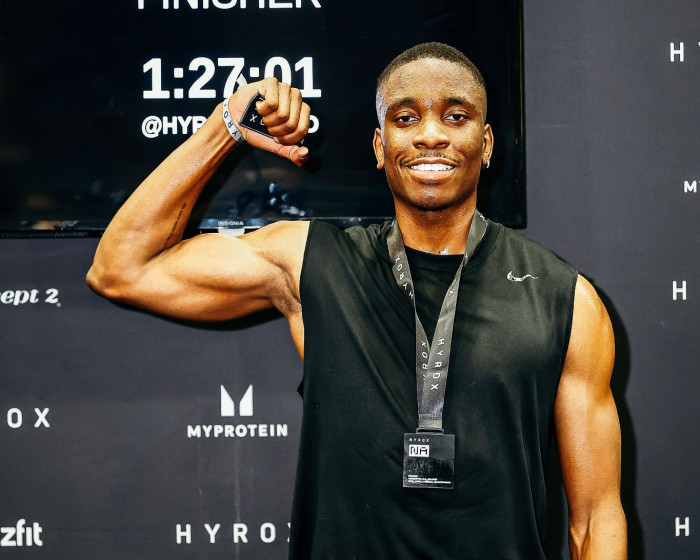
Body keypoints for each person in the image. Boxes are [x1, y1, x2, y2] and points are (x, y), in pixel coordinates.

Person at [87, 42, 626, 559]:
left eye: (456, 116)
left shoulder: (564, 299)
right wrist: (226, 123)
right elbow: (121, 270)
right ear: (379, 146)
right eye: (406, 118)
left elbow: (595, 519)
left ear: (486, 145)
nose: (430, 135)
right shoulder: (313, 263)